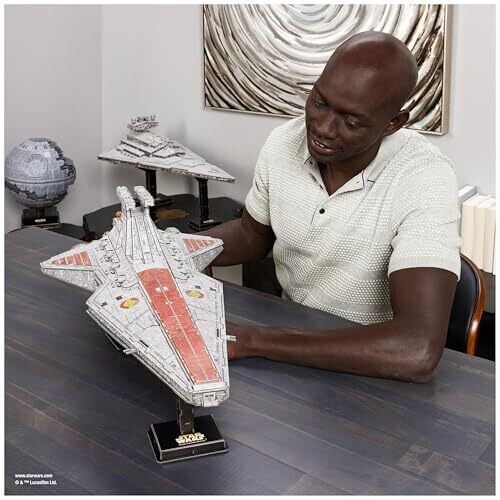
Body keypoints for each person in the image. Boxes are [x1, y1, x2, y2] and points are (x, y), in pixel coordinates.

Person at [201, 31, 461, 383]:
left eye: (351, 122)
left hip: (369, 368)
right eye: (320, 102)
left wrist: (251, 340)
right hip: (290, 342)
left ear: (394, 123)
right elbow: (252, 235)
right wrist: (175, 248)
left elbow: (415, 350)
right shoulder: (283, 142)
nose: (322, 128)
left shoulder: (424, 177)